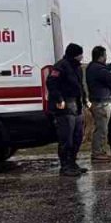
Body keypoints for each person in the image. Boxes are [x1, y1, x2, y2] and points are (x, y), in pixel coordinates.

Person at [46, 43, 88, 176]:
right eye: (80, 54)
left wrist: (85, 99)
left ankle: (73, 163)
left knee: (78, 136)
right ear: (74, 54)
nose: (81, 56)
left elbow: (80, 85)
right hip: (65, 106)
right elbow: (51, 83)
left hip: (77, 104)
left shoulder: (77, 68)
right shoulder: (60, 66)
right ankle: (65, 166)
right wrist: (59, 99)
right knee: (66, 138)